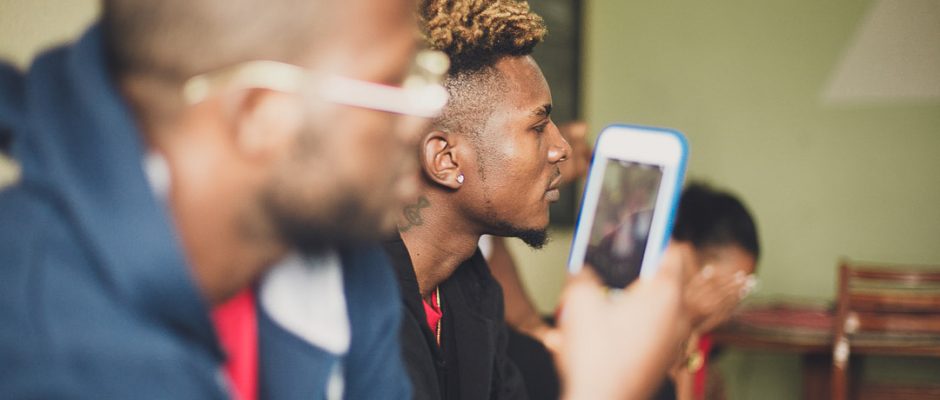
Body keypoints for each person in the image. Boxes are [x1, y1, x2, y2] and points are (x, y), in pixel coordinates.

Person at [0, 0, 441, 397]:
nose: (419, 120)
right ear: (260, 114)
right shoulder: (44, 347)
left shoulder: (344, 261)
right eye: (392, 84)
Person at [384, 0, 729, 398]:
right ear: (445, 159)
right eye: (538, 127)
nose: (562, 148)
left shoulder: (473, 289)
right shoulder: (355, 307)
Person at [666, 183, 760, 400]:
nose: (732, 302)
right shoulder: (650, 327)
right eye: (726, 288)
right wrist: (688, 329)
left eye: (743, 289)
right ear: (686, 258)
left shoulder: (702, 333)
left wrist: (692, 331)